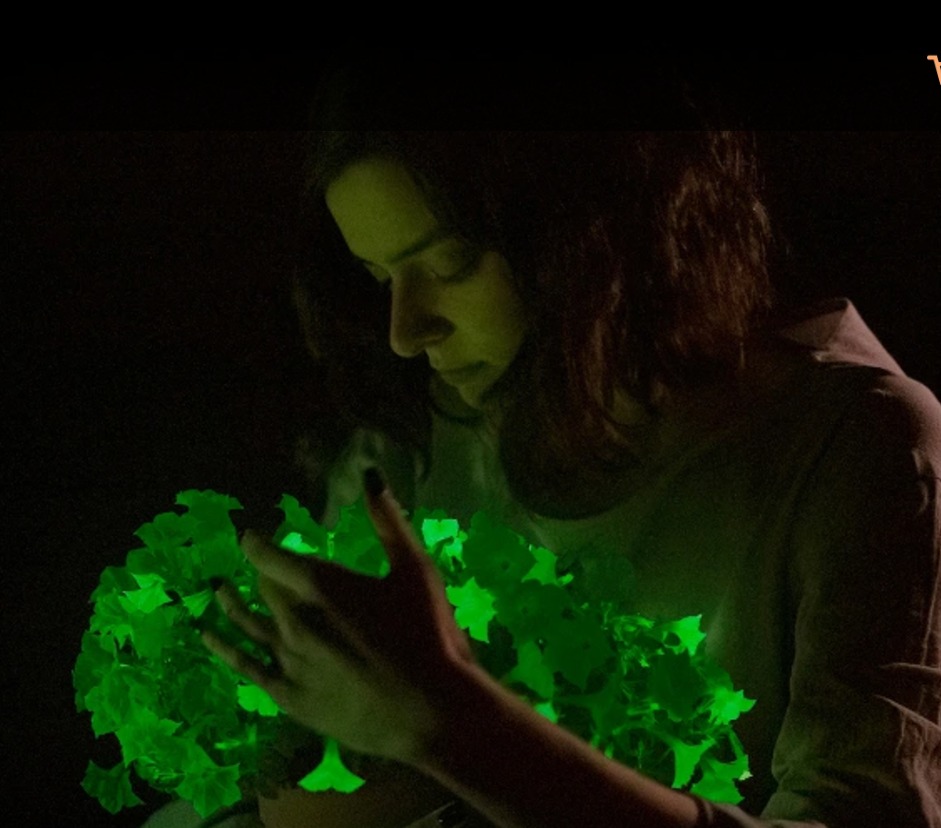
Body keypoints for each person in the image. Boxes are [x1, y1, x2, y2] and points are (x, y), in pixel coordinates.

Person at [191, 62, 941, 828]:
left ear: (602, 230)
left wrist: (458, 728)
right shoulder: (416, 439)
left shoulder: (852, 444)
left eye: (449, 264)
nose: (405, 331)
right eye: (378, 274)